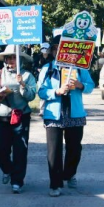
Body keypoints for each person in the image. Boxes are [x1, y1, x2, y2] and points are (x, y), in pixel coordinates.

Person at [36, 58, 95, 196]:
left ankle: (69, 174)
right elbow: (41, 91)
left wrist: (80, 85)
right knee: (54, 151)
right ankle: (55, 184)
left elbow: (91, 86)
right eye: (57, 49)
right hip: (54, 115)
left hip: (75, 114)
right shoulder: (48, 68)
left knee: (75, 148)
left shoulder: (80, 67)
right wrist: (57, 91)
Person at [0, 45, 38, 194]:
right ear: (4, 59)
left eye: (14, 58)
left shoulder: (27, 76)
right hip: (1, 116)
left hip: (21, 116)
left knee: (20, 149)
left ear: (20, 60)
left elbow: (31, 96)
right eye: (9, 58)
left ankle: (17, 181)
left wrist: (22, 84)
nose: (11, 61)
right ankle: (7, 169)